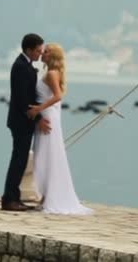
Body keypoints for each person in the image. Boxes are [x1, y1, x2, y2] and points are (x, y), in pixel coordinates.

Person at [27, 43, 93, 215]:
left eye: (46, 52)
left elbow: (58, 96)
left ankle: (50, 197)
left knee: (47, 156)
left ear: (53, 56)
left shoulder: (51, 73)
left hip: (47, 116)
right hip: (48, 115)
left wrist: (38, 109)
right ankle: (46, 196)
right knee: (45, 155)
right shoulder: (49, 72)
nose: (43, 53)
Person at [2, 33, 51, 211]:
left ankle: (14, 197)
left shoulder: (25, 64)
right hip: (21, 121)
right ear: (29, 50)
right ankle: (9, 199)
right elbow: (24, 100)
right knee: (18, 160)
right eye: (38, 51)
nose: (40, 54)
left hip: (22, 121)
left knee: (20, 160)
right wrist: (38, 118)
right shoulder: (21, 66)